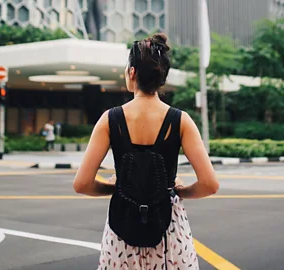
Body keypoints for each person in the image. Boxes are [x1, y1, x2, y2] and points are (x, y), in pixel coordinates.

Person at [73, 33, 219, 269]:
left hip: (122, 232)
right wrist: (177, 191)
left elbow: (82, 184)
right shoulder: (180, 120)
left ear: (132, 73)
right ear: (161, 77)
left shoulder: (110, 119)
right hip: (169, 233)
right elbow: (210, 184)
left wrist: (116, 186)